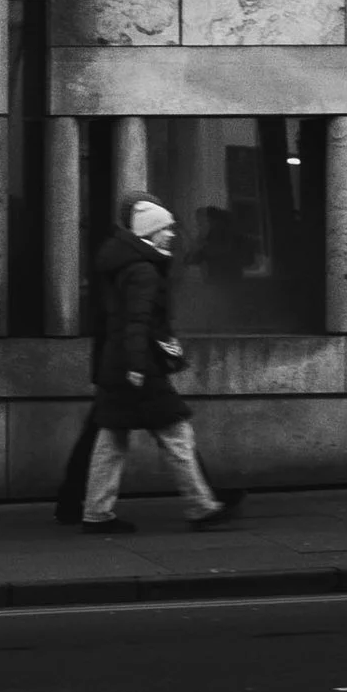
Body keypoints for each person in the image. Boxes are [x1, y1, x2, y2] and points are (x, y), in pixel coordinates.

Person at [80, 193, 240, 532]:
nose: (170, 234)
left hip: (119, 364)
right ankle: (200, 505)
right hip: (140, 368)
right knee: (176, 434)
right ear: (149, 232)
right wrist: (138, 366)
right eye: (164, 229)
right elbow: (137, 322)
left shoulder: (126, 264)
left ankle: (96, 512)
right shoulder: (144, 271)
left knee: (111, 441)